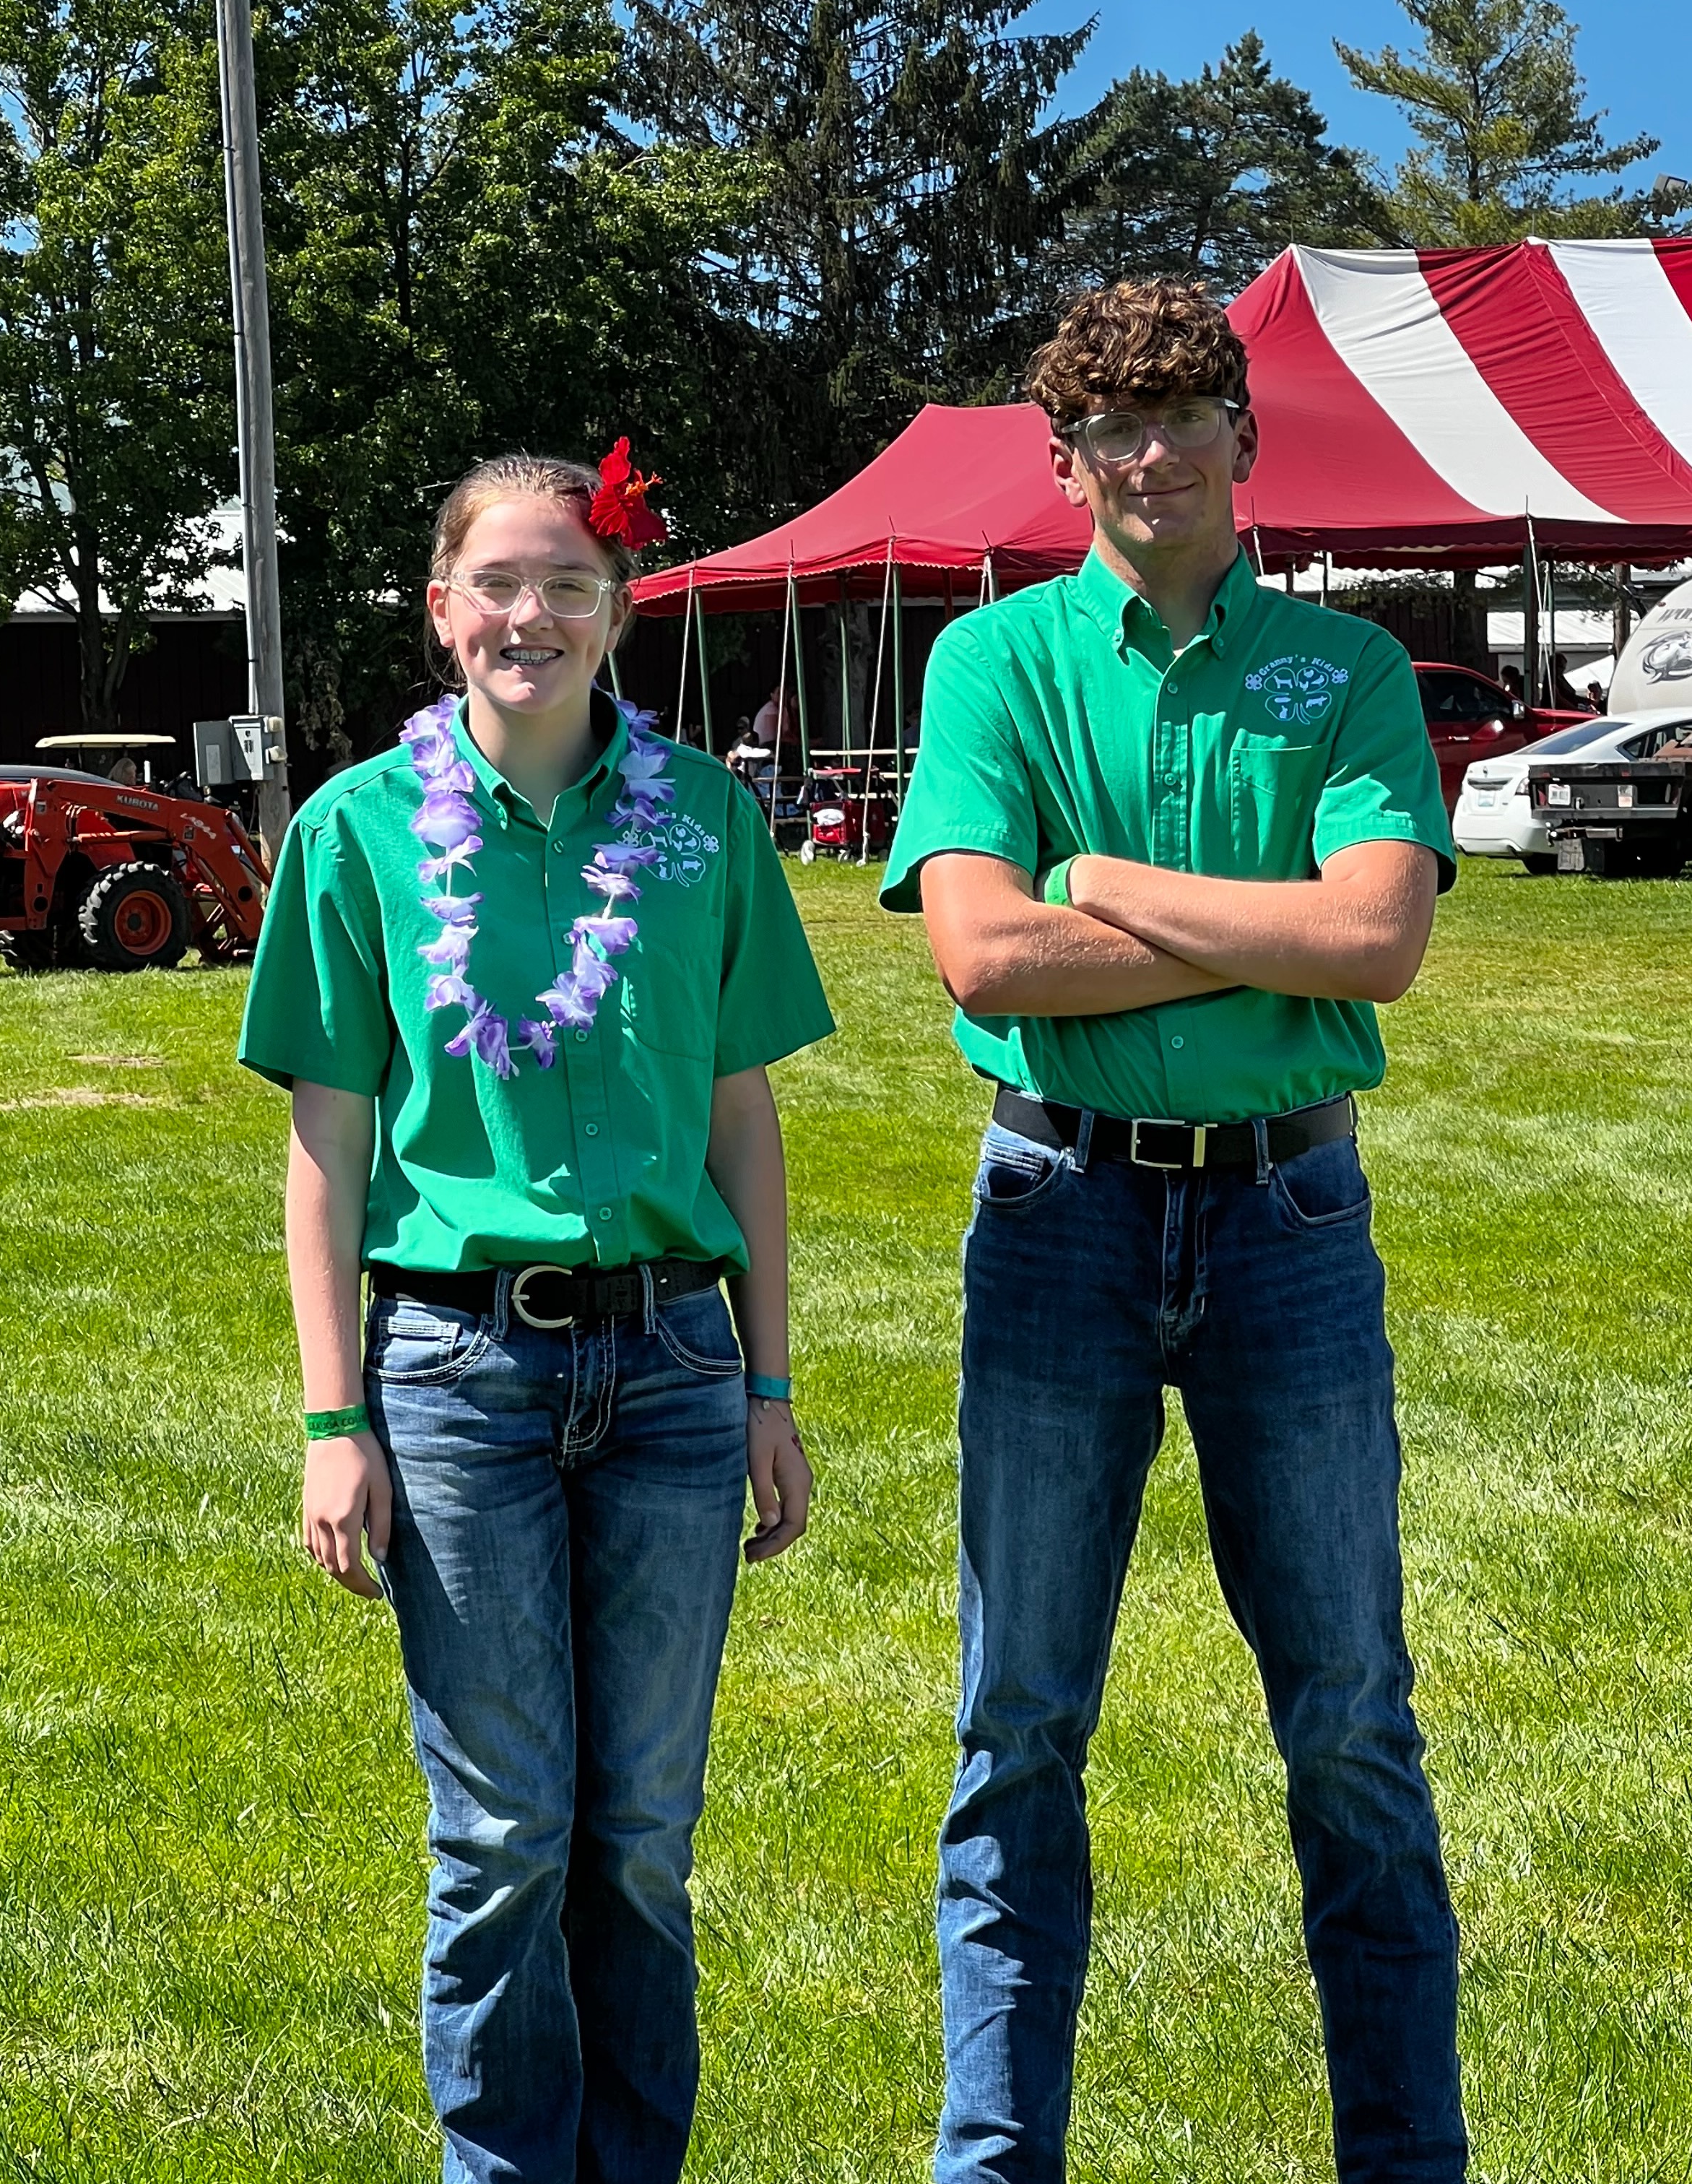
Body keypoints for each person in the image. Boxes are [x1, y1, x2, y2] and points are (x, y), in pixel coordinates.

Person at [882, 278, 1467, 2180]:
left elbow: (1377, 937)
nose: (1148, 453)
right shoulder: (994, 665)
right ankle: (997, 2161)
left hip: (1288, 1217)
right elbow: (980, 950)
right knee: (1017, 1723)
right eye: (1109, 429)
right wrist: (1251, 918)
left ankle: (1406, 2159)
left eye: (1182, 417)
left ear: (1244, 441)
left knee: (1355, 1727)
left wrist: (1109, 885)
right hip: (1057, 1212)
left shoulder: (1347, 673)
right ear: (1063, 469)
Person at [237, 451, 834, 2184]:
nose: (531, 614)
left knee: (641, 1835)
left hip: (668, 1368)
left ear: (620, 608)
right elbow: (325, 1157)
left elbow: (743, 1121)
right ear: (442, 611)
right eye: (498, 581)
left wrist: (770, 1382)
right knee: (503, 1835)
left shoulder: (709, 821)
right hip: (454, 1374)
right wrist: (332, 1420)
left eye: (569, 582)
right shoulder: (354, 832)